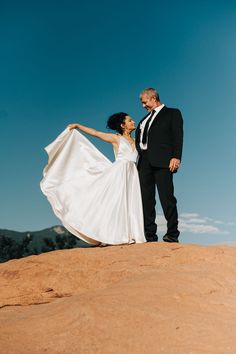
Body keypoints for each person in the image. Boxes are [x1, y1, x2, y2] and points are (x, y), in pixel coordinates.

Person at [40, 113, 146, 246]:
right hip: (119, 173)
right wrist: (78, 126)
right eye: (130, 120)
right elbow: (96, 133)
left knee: (130, 203)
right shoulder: (116, 138)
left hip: (133, 174)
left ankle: (132, 234)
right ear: (122, 125)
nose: (133, 122)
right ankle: (113, 235)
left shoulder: (137, 140)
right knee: (116, 203)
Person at [135, 88, 183, 243]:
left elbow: (177, 136)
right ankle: (150, 236)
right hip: (144, 162)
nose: (143, 106)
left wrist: (176, 156)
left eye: (144, 102)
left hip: (163, 161)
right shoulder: (143, 121)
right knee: (146, 199)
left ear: (153, 98)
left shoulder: (172, 113)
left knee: (167, 197)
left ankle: (172, 233)